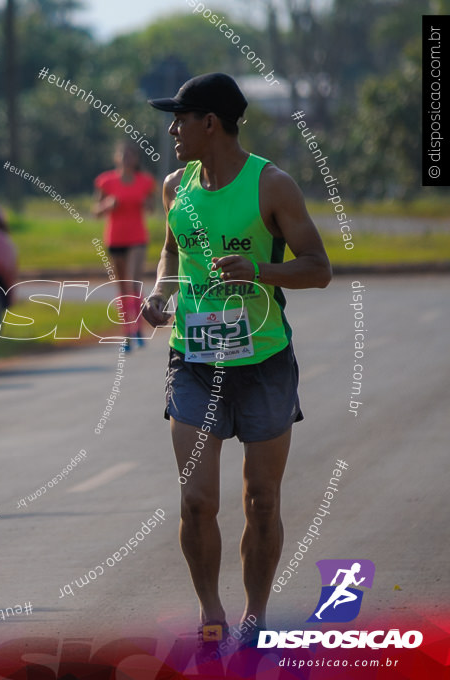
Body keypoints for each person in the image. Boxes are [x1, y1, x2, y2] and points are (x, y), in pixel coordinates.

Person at [141, 73, 332, 654]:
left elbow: (318, 268)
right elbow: (173, 252)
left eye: (180, 118)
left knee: (261, 499)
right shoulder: (176, 186)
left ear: (211, 123)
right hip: (195, 358)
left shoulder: (271, 185)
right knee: (197, 500)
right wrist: (161, 293)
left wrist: (261, 273)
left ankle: (255, 614)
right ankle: (211, 613)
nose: (171, 129)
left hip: (265, 360)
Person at [93, 141, 157, 348]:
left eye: (131, 155)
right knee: (122, 287)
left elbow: (152, 207)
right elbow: (96, 212)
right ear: (117, 157)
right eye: (124, 154)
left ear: (136, 159)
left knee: (133, 282)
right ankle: (127, 332)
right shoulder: (106, 181)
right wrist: (107, 204)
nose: (127, 158)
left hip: (137, 238)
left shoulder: (145, 182)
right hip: (115, 238)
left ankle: (138, 325)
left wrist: (147, 204)